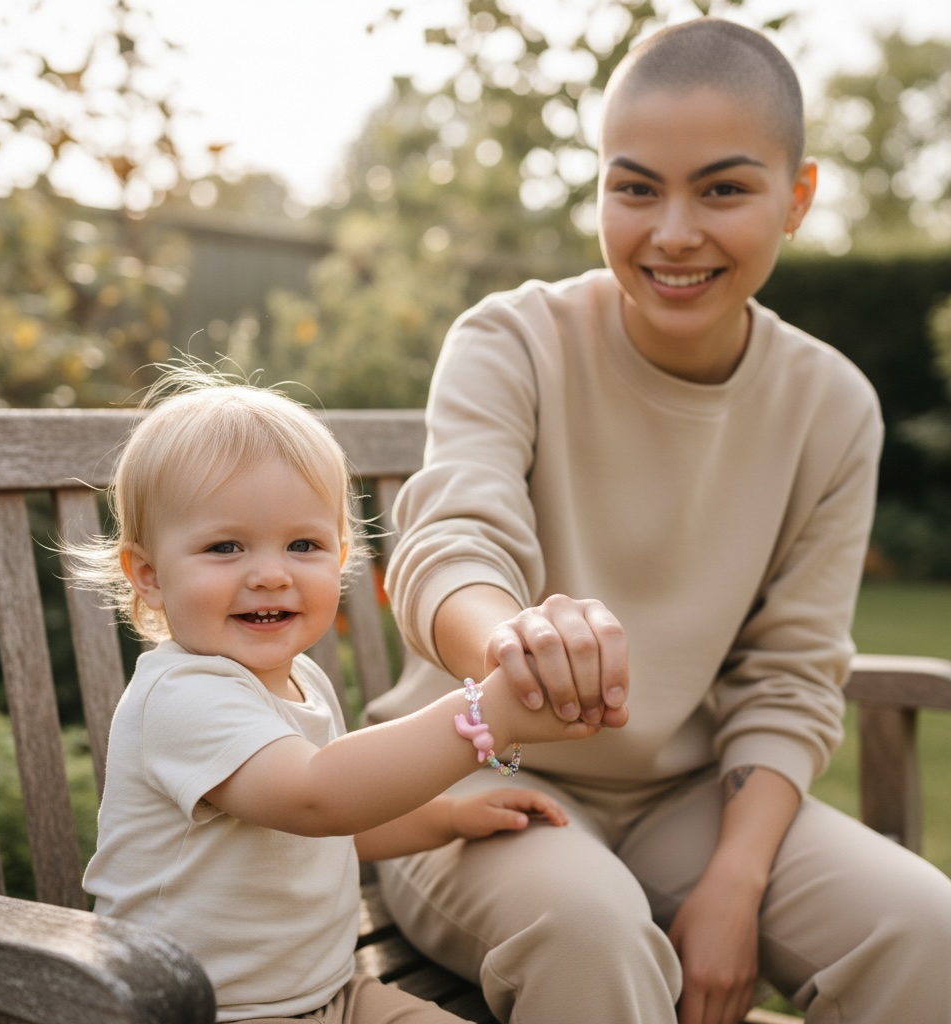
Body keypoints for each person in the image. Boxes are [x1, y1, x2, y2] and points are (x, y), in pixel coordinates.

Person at [367, 17, 951, 1024]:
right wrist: (513, 644)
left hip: (690, 800)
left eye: (722, 188)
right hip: (470, 782)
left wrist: (734, 878)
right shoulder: (511, 339)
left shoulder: (832, 404)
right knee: (593, 935)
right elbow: (451, 535)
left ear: (797, 196)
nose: (672, 231)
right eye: (634, 188)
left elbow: (792, 668)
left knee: (925, 933)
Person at [73, 366, 612, 1023]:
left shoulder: (301, 680)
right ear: (150, 577)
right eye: (225, 547)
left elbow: (336, 827)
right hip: (200, 1012)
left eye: (303, 544)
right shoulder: (181, 697)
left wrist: (448, 820)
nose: (270, 574)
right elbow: (316, 796)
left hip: (333, 994)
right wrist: (486, 715)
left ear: (341, 555)